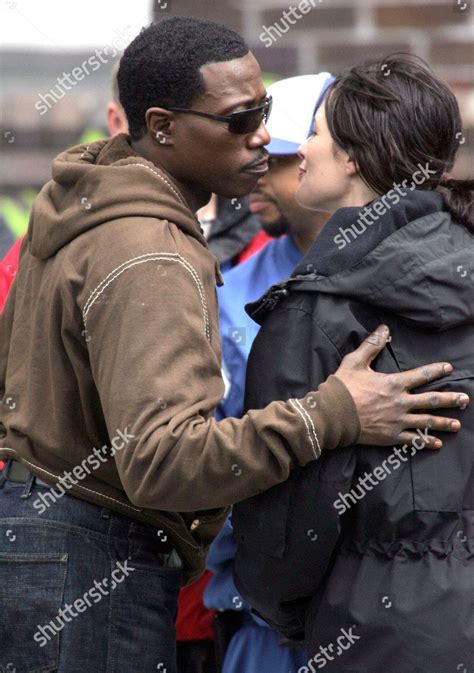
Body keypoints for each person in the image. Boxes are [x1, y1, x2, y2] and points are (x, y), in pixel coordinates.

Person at [0, 18, 466, 672]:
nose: (264, 136)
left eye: (269, 112)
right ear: (162, 126)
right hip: (89, 564)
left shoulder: (88, 209)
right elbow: (161, 461)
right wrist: (331, 412)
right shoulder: (147, 251)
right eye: (239, 118)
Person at [232, 54, 473, 672]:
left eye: (315, 133)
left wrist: (286, 612)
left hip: (373, 633)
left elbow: (282, 520)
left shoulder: (317, 309)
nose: (301, 151)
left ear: (354, 159)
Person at [217, 73, 333, 420]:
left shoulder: (406, 269)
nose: (255, 175)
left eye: (274, 161)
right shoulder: (229, 292)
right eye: (252, 157)